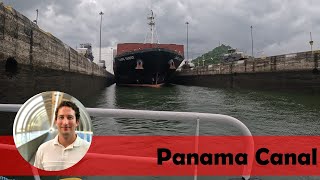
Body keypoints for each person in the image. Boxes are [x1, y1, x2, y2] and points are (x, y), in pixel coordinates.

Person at [34, 101, 90, 171]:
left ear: (77, 122)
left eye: (70, 117)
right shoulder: (42, 150)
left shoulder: (88, 149)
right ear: (56, 122)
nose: (65, 122)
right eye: (61, 117)